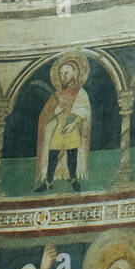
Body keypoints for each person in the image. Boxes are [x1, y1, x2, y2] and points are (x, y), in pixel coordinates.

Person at [35, 53, 91, 192]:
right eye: (60, 73)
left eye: (66, 72)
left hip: (72, 129)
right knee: (53, 154)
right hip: (59, 129)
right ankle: (48, 182)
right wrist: (56, 112)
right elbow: (44, 116)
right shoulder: (56, 95)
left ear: (75, 73)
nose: (62, 76)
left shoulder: (81, 92)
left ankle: (73, 178)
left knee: (72, 154)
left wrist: (74, 123)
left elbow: (84, 111)